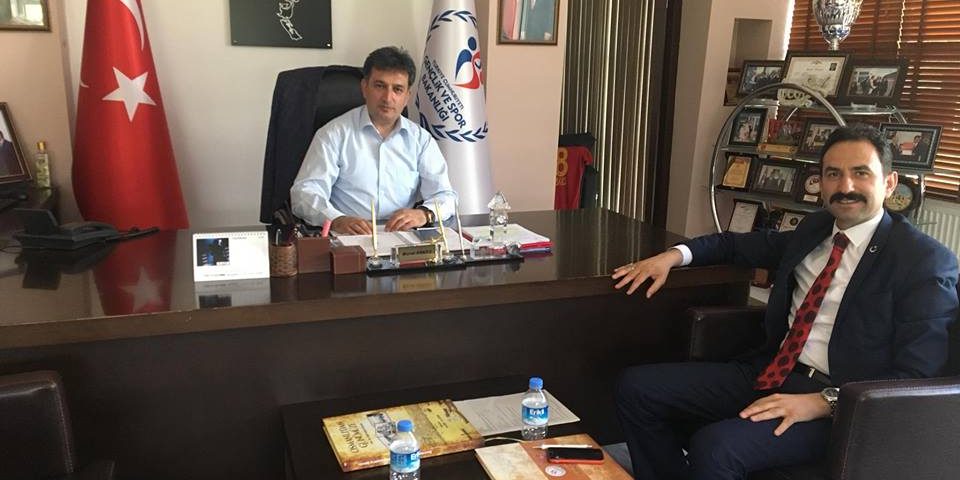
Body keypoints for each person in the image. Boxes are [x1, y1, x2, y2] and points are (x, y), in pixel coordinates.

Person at [611, 124, 958, 480]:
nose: (846, 186)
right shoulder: (815, 230)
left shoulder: (923, 261)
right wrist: (672, 256)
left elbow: (916, 376)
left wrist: (826, 401)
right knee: (637, 389)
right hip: (774, 372)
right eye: (833, 174)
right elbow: (733, 245)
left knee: (715, 448)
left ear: (889, 182)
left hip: (846, 405)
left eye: (861, 173)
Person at [290, 46, 457, 234]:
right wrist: (336, 219)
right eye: (380, 86)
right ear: (364, 88)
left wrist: (425, 214)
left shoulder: (421, 140)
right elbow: (304, 193)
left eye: (397, 89)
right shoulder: (333, 134)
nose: (388, 98)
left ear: (406, 97)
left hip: (401, 237)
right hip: (348, 237)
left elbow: (446, 195)